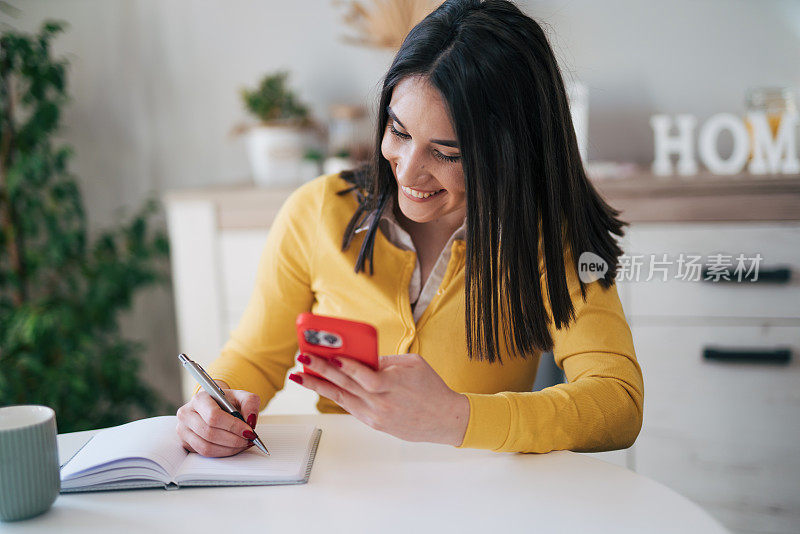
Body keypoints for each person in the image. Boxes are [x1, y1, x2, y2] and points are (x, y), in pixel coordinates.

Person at [176, 0, 643, 457]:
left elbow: (617, 402)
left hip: (480, 505)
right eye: (399, 132)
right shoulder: (318, 211)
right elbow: (256, 356)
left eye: (446, 153)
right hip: (343, 496)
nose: (409, 171)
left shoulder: (550, 237)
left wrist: (456, 418)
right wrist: (216, 401)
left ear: (509, 151)